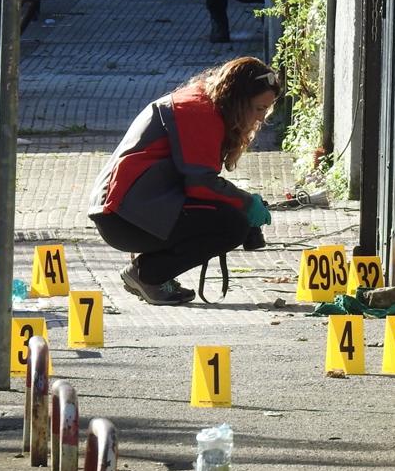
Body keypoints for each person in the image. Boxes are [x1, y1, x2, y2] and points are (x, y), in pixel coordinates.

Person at [88, 57, 280, 305]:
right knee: (232, 225)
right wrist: (245, 203)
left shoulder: (204, 103)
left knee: (227, 214)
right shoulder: (199, 112)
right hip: (122, 218)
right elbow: (201, 184)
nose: (262, 118)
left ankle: (151, 272)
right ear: (238, 99)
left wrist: (240, 200)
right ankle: (149, 275)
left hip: (125, 210)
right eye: (258, 108)